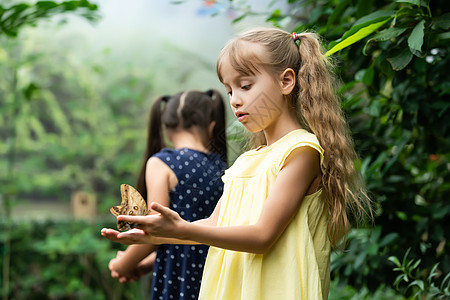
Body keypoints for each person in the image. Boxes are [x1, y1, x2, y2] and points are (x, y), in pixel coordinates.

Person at [102, 27, 372, 300]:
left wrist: (181, 228)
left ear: (286, 81)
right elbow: (213, 226)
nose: (235, 100)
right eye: (229, 90)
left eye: (245, 86)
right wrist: (155, 236)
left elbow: (263, 236)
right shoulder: (245, 162)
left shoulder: (300, 151)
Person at [107, 89, 228, 300]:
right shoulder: (222, 167)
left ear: (166, 127)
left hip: (178, 277)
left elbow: (154, 232)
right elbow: (197, 237)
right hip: (216, 275)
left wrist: (123, 264)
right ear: (211, 125)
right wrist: (147, 264)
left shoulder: (162, 163)